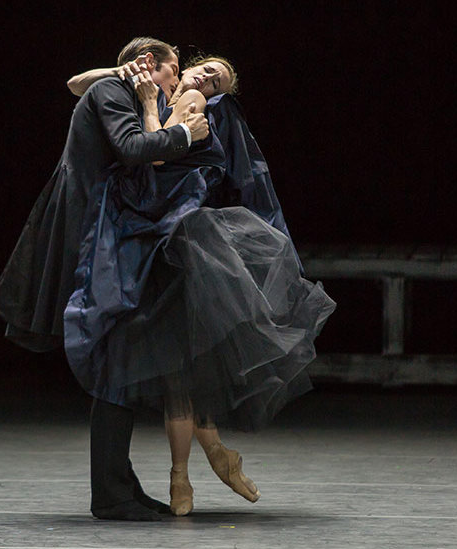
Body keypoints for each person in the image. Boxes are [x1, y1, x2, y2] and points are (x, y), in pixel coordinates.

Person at [64, 56, 336, 516]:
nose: (209, 77)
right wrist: (130, 75)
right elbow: (77, 83)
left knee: (176, 364)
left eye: (219, 80)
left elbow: (153, 150)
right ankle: (203, 464)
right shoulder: (171, 91)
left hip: (171, 234)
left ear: (218, 94)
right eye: (207, 67)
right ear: (186, 64)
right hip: (168, 231)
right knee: (180, 365)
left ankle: (183, 474)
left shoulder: (189, 100)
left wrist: (153, 101)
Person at [0, 37, 209, 522]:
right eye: (173, 74)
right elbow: (131, 149)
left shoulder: (123, 90)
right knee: (114, 357)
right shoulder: (112, 92)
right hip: (93, 234)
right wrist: (185, 136)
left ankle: (120, 486)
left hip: (110, 231)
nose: (173, 90)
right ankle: (110, 494)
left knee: (121, 355)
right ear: (152, 65)